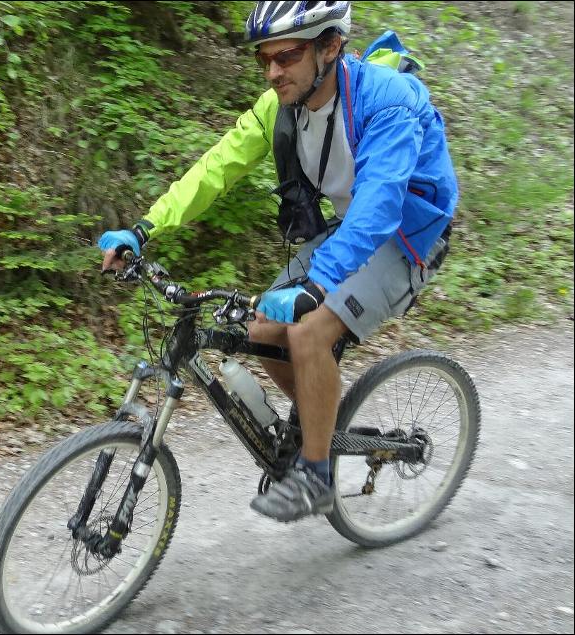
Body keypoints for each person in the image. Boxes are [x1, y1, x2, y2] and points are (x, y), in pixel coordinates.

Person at [97, 1, 457, 522]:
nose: (272, 71)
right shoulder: (280, 106)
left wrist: (318, 287)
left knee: (308, 330)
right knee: (266, 325)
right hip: (350, 231)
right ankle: (319, 424)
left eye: (286, 56)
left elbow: (380, 204)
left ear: (330, 47)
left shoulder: (387, 102)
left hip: (404, 236)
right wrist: (144, 227)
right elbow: (216, 167)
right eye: (265, 58)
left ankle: (316, 475)